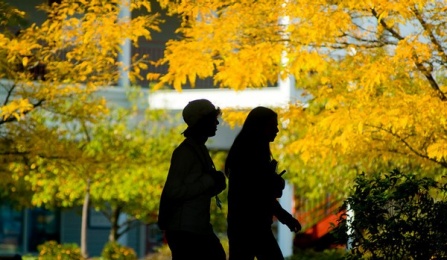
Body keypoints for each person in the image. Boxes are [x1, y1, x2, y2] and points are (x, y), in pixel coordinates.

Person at [225, 106, 302, 260]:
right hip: (253, 226)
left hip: (242, 225)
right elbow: (260, 194)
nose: (277, 130)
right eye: (273, 125)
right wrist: (285, 217)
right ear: (260, 127)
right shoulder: (252, 155)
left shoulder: (243, 152)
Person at [158, 99, 227, 260]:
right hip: (186, 231)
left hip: (194, 228)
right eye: (212, 119)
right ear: (202, 122)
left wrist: (215, 184)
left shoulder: (197, 149)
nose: (217, 122)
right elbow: (173, 191)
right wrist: (209, 181)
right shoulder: (186, 152)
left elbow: (194, 190)